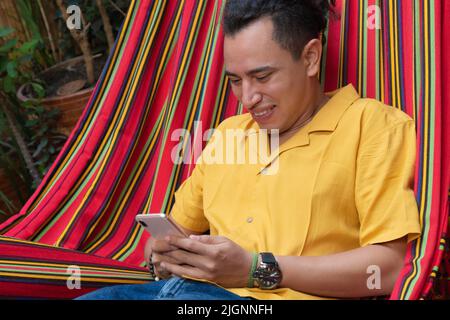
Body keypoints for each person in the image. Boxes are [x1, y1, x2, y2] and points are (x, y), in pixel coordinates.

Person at [77, 0, 421, 300]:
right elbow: (167, 237)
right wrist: (166, 253)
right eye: (235, 81)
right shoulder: (228, 134)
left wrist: (255, 269)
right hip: (175, 292)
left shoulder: (372, 126)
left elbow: (388, 268)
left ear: (311, 58)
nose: (247, 98)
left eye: (263, 76)